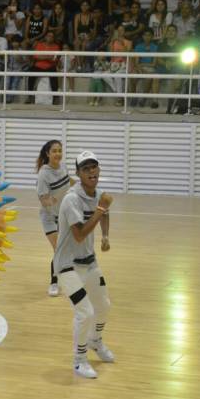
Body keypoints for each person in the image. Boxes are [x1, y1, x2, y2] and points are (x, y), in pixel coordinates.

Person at [54, 151, 115, 379]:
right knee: (85, 312)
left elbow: (105, 214)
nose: (91, 172)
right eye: (86, 169)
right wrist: (100, 209)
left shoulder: (99, 194)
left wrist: (105, 236)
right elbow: (79, 235)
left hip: (89, 262)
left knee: (104, 306)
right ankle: (79, 361)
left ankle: (95, 341)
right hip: (67, 265)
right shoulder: (71, 199)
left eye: (94, 167)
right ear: (78, 174)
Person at [36, 140, 74, 297]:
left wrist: (83, 188)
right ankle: (54, 283)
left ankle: (69, 277)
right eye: (54, 151)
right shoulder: (44, 174)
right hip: (49, 217)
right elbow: (43, 199)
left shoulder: (63, 167)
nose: (58, 154)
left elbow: (69, 181)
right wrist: (52, 200)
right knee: (59, 250)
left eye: (60, 150)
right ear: (48, 154)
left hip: (63, 215)